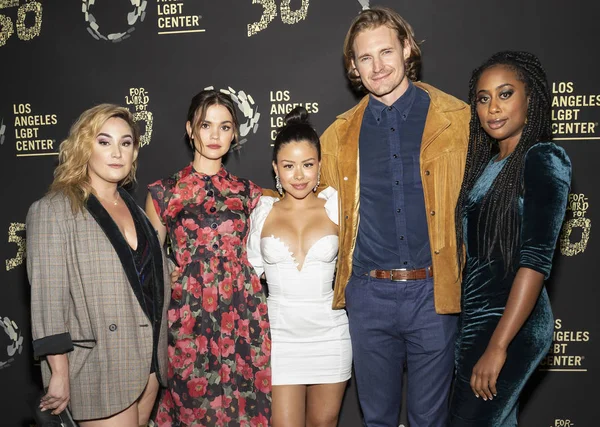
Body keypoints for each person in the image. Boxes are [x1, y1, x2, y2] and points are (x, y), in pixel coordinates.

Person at [318, 6, 470, 426]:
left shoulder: (457, 120)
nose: (377, 66)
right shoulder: (337, 137)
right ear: (354, 66)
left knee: (430, 420)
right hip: (368, 296)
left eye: (386, 52)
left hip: (434, 294)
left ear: (406, 48)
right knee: (378, 420)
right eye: (365, 58)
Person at [27, 104, 170, 426]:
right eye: (104, 142)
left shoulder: (136, 210)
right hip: (99, 363)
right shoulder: (54, 210)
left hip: (147, 362)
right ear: (84, 147)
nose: (116, 152)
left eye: (126, 142)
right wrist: (59, 374)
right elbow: (48, 302)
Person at [449, 51, 571, 426]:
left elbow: (534, 262)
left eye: (505, 94)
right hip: (478, 318)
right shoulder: (487, 164)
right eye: (483, 98)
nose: (493, 108)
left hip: (510, 323)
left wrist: (499, 346)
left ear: (530, 99)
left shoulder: (543, 159)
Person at [146, 90, 271, 426]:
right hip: (188, 315)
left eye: (225, 126)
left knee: (244, 409)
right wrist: (168, 267)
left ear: (234, 134)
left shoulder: (249, 192)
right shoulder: (164, 192)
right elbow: (147, 268)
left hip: (243, 315)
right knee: (192, 408)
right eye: (206, 125)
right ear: (190, 129)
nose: (215, 135)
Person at [247, 107, 351, 427]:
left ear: (319, 166)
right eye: (289, 166)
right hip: (279, 339)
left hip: (331, 335)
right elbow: (247, 280)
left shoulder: (336, 205)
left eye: (307, 165)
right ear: (275, 168)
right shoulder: (262, 212)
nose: (299, 175)